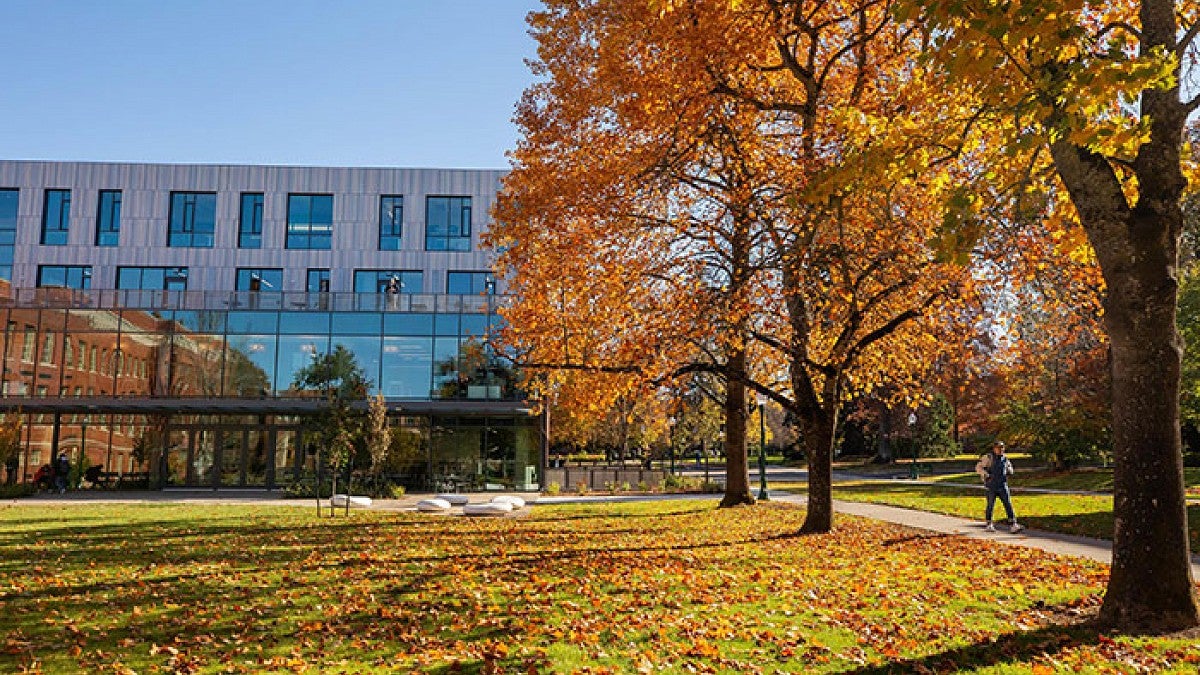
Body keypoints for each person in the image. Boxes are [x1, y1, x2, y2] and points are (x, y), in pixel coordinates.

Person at [975, 441, 1024, 533]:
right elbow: (978, 468)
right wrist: (986, 475)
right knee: (990, 505)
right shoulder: (988, 458)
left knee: (1008, 504)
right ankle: (989, 524)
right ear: (994, 449)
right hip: (991, 486)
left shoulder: (1005, 459)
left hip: (1002, 485)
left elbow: (1010, 468)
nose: (1000, 449)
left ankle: (1013, 524)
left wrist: (1009, 471)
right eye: (998, 448)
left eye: (1002, 448)